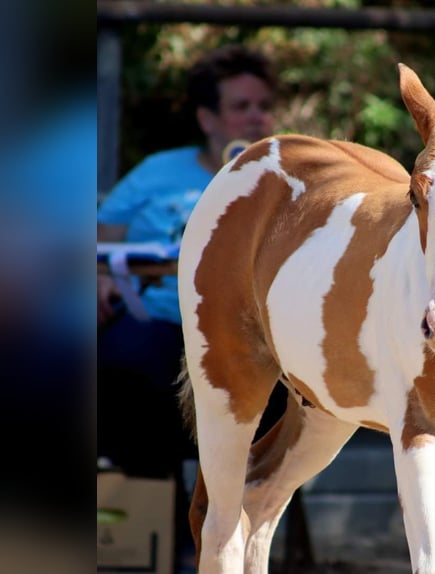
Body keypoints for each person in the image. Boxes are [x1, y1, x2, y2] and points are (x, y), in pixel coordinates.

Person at [96, 44, 278, 571]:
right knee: (122, 368)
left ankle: (228, 530)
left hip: (249, 336)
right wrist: (101, 278)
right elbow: (100, 247)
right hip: (156, 320)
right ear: (207, 117)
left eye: (263, 105)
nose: (256, 116)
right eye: (241, 106)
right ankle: (171, 524)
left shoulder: (281, 176)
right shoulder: (157, 173)